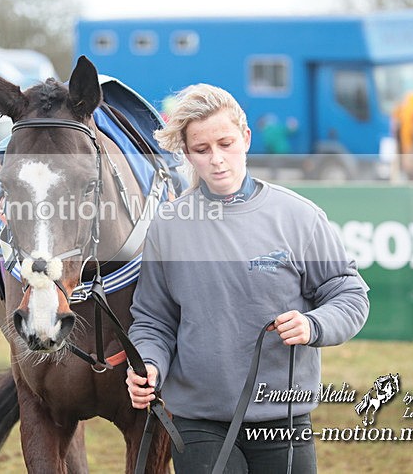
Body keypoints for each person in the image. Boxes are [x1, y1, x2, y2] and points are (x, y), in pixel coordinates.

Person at [125, 84, 369, 473]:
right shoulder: (167, 226)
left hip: (284, 418)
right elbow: (154, 320)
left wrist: (313, 324)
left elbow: (350, 294)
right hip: (198, 421)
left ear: (247, 138)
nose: (217, 159)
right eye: (202, 150)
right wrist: (150, 365)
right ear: (186, 153)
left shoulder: (300, 217)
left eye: (226, 143)